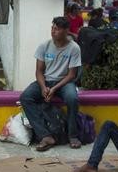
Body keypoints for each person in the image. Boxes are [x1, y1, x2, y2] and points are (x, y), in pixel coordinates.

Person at [19, 17, 82, 151]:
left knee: (72, 98)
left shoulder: (74, 48)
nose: (53, 31)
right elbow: (39, 71)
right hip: (45, 80)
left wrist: (53, 89)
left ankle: (72, 135)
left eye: (57, 29)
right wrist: (43, 87)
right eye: (52, 28)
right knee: (26, 97)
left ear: (66, 31)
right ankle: (45, 136)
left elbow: (72, 75)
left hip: (64, 82)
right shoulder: (44, 46)